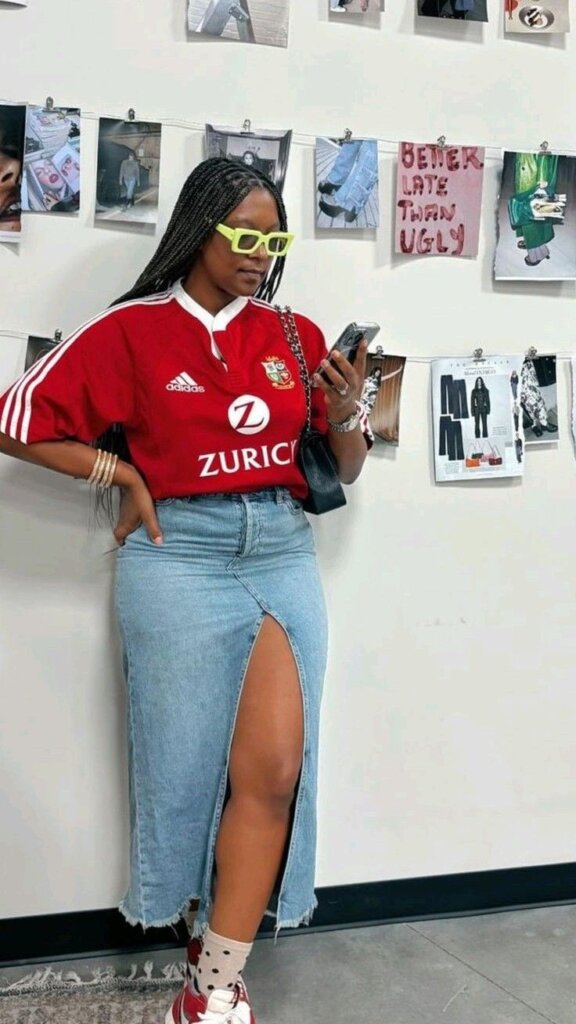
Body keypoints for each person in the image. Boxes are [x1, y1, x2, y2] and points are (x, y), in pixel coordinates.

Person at [0, 157, 372, 1024]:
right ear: (199, 226)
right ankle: (193, 926)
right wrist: (121, 473)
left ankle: (212, 987)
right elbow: (17, 419)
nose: (258, 253)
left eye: (273, 238)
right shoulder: (131, 330)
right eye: (244, 234)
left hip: (280, 549)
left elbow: (340, 469)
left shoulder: (294, 335)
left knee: (275, 768)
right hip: (179, 558)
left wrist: (350, 412)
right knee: (184, 770)